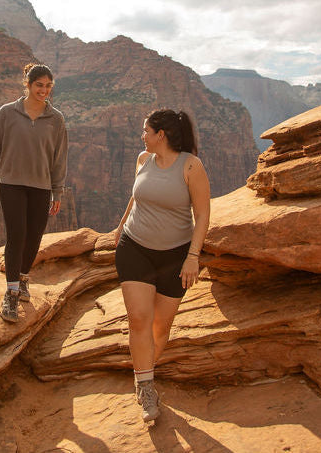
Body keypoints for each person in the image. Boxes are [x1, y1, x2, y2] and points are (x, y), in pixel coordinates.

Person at [114, 109, 210, 422]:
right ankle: (146, 386)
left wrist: (192, 257)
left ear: (161, 135)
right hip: (135, 249)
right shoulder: (143, 159)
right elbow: (137, 196)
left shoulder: (191, 167)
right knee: (139, 319)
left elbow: (203, 216)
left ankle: (144, 370)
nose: (142, 135)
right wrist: (119, 227)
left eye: (146, 130)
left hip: (174, 255)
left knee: (161, 326)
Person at [0, 63, 68, 323]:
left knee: (34, 236)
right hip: (11, 183)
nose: (44, 91)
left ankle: (24, 278)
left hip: (41, 187)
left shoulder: (56, 119)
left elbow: (59, 159)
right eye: (39, 85)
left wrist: (57, 191)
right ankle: (11, 293)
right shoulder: (6, 113)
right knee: (16, 235)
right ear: (27, 84)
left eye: (48, 86)